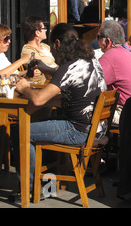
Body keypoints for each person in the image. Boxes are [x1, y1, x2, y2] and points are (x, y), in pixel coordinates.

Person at [12, 23, 107, 199]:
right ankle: (46, 181)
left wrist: (24, 87)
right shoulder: (90, 60)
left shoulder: (68, 67)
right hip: (97, 130)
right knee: (45, 123)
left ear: (57, 43)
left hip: (78, 130)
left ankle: (31, 187)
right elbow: (68, 82)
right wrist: (46, 69)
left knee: (21, 130)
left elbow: (38, 99)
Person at [97, 20, 131, 125]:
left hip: (126, 112)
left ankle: (95, 139)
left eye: (98, 37)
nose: (96, 41)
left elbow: (90, 82)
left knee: (83, 108)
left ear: (108, 41)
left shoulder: (110, 56)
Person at [21, 16, 57, 82]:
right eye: (44, 28)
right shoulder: (28, 50)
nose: (46, 30)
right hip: (44, 82)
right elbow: (41, 65)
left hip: (56, 77)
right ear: (37, 32)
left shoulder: (45, 46)